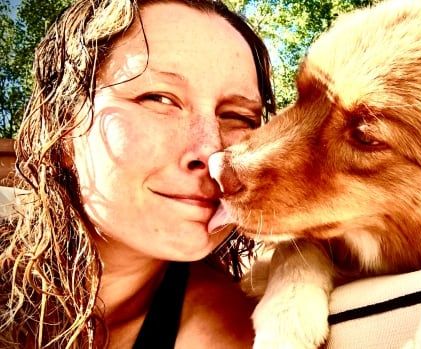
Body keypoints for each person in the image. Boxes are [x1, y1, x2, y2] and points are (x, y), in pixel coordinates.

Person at [0, 0, 275, 347]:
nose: (212, 154)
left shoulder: (233, 333)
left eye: (238, 117)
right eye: (158, 98)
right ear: (64, 124)